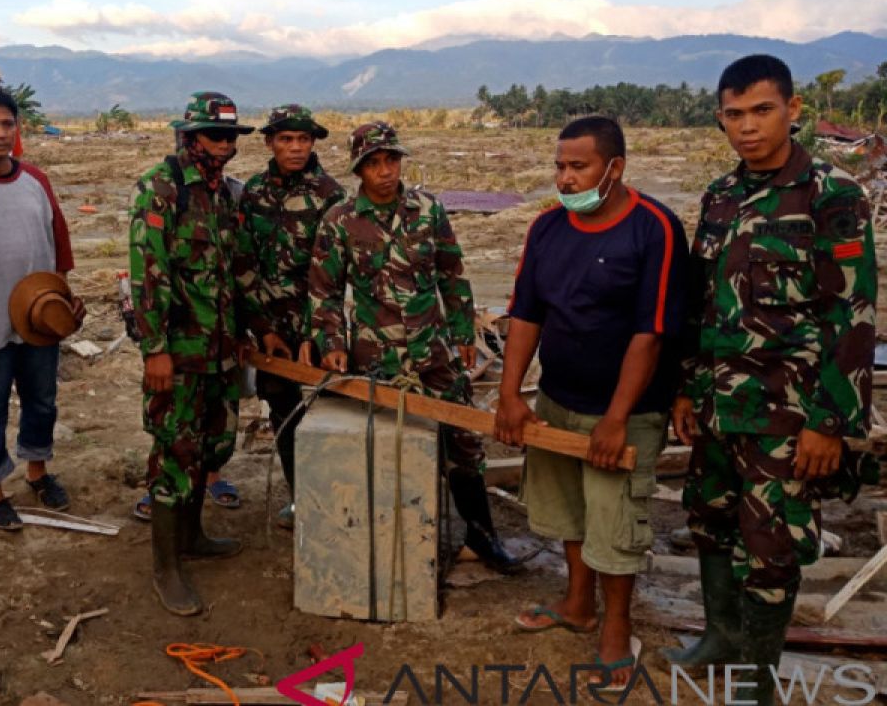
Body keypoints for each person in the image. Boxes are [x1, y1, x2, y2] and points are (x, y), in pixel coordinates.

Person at [662, 54, 877, 704]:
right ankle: (720, 639)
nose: (748, 127)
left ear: (792, 109)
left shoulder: (832, 195)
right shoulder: (722, 197)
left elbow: (852, 313)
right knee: (710, 520)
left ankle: (755, 678)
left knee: (773, 545)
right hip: (718, 406)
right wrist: (683, 386)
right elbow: (702, 301)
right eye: (734, 114)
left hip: (788, 415)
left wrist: (830, 423)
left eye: (762, 110)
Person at [495, 115, 688, 690]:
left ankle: (616, 627)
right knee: (570, 514)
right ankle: (578, 605)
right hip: (557, 398)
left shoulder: (654, 229)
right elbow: (527, 313)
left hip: (626, 409)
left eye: (578, 167)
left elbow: (649, 334)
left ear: (615, 169)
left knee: (615, 520)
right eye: (560, 165)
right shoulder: (547, 228)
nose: (565, 177)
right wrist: (510, 394)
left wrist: (617, 418)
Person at [304, 121, 520, 574]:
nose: (385, 171)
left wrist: (463, 334)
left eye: (392, 160)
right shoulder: (340, 221)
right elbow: (324, 293)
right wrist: (332, 343)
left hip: (433, 351)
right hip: (375, 358)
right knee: (386, 446)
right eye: (374, 164)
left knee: (463, 441)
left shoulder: (428, 211)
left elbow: (452, 275)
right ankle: (390, 537)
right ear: (359, 169)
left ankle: (481, 535)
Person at [128, 91, 251, 615]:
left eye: (230, 137)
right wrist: (155, 349)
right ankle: (165, 568)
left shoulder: (224, 194)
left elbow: (235, 270)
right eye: (213, 136)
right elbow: (147, 275)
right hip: (178, 352)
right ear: (189, 135)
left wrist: (251, 331)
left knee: (210, 447)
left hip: (220, 351)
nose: (223, 146)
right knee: (174, 453)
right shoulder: (162, 188)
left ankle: (194, 535)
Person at [0, 89, 83, 529]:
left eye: (8, 124)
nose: (1, 133)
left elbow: (58, 238)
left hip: (39, 314)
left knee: (42, 400)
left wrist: (62, 295)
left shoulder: (36, 180)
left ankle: (38, 471)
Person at [233, 104, 344, 528]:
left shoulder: (330, 195)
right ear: (270, 143)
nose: (295, 147)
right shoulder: (255, 192)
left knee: (328, 413)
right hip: (270, 330)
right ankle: (302, 498)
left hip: (318, 329)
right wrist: (261, 328)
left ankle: (334, 498)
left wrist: (317, 333)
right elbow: (245, 263)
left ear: (312, 143)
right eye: (286, 139)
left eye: (303, 139)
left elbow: (332, 274)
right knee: (283, 412)